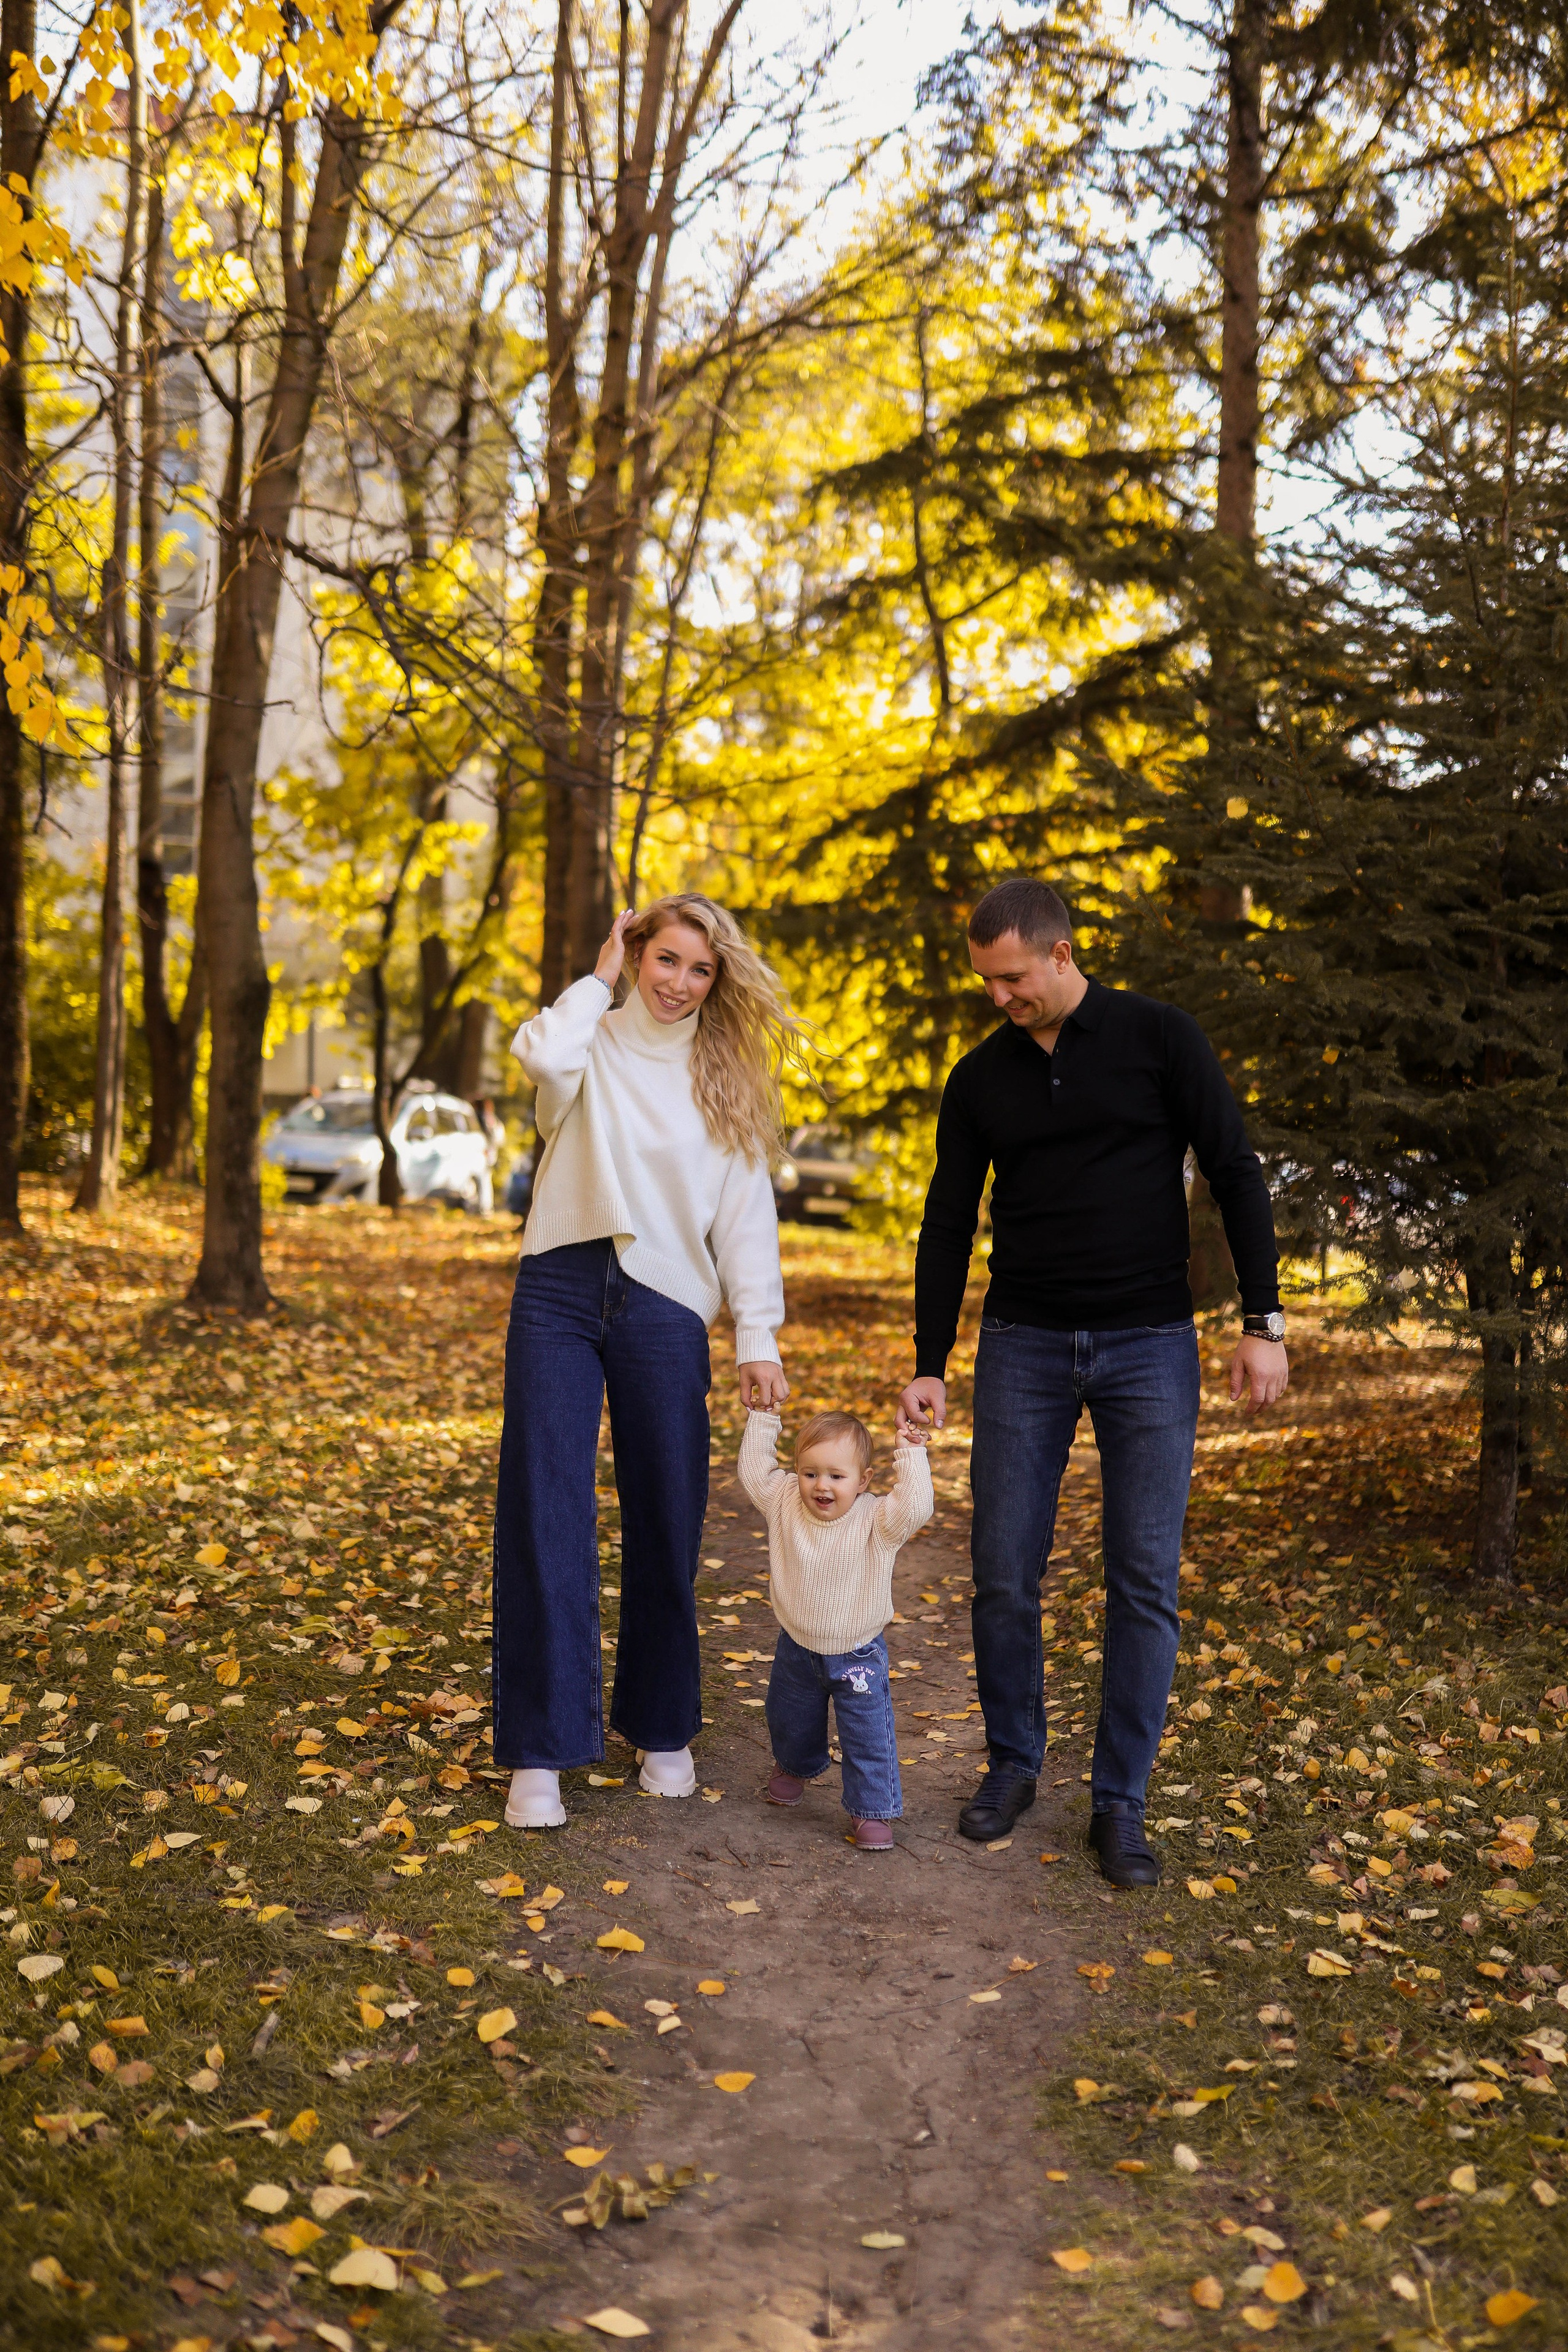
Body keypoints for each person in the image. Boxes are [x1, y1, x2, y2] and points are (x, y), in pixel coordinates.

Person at [897, 877, 1287, 1886]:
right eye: (986, 981)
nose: (998, 997)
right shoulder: (980, 1078)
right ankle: (1014, 1764)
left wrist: (1262, 1322)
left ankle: (1121, 1801)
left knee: (1142, 1580)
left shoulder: (1161, 1039)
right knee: (1002, 1571)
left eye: (1012, 978)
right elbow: (948, 1220)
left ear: (1062, 955)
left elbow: (1236, 1171)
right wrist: (929, 1360)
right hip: (1022, 1343)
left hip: (1150, 1344)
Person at [494, 894, 801, 1831]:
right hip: (560, 1283)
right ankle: (541, 1753)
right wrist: (596, 977)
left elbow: (746, 1217)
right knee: (546, 1506)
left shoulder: (727, 1074)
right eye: (664, 960)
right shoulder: (585, 1043)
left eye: (700, 970)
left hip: (669, 1302)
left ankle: (663, 1728)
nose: (679, 984)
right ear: (635, 953)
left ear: (720, 979)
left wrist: (758, 1337)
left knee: (669, 1511)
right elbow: (540, 1056)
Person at [739, 1408, 933, 1850]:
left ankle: (871, 1809)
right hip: (797, 1646)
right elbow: (753, 1473)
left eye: (836, 1476)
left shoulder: (878, 1521)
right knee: (790, 1718)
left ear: (863, 1480)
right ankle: (793, 1766)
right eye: (810, 1473)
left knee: (867, 1736)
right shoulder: (784, 1499)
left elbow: (917, 1506)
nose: (821, 1486)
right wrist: (764, 1419)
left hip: (857, 1655)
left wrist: (911, 1454)